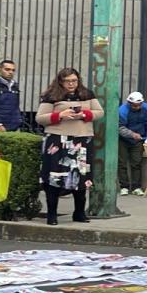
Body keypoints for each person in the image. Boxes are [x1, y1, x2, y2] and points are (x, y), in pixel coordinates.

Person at [35, 68, 103, 226]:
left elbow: (99, 112)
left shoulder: (87, 94)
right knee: (54, 177)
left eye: (74, 80)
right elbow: (40, 118)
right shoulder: (51, 96)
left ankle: (79, 212)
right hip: (57, 140)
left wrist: (84, 114)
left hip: (82, 140)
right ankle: (52, 215)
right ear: (60, 81)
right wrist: (59, 115)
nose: (71, 84)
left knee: (81, 177)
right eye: (68, 81)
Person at [117, 91, 147, 196]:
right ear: (129, 103)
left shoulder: (146, 109)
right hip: (123, 139)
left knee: (137, 163)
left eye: (138, 105)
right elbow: (119, 127)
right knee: (122, 163)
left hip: (139, 139)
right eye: (134, 105)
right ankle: (124, 186)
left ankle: (136, 186)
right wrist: (131, 134)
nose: (136, 107)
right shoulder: (122, 111)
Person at [0, 59, 20, 131]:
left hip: (14, 125)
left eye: (13, 70)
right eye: (7, 69)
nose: (10, 72)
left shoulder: (15, 86)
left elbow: (16, 106)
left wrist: (19, 119)